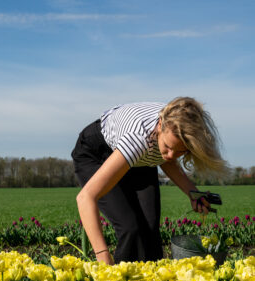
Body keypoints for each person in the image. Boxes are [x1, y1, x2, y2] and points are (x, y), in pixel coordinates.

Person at [71, 97, 229, 265]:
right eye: (168, 147)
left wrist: (193, 193)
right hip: (96, 153)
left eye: (179, 152)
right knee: (130, 227)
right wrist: (102, 255)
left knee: (150, 230)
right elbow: (85, 198)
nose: (170, 156)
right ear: (160, 125)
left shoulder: (177, 123)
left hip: (140, 157)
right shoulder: (138, 139)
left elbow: (168, 161)